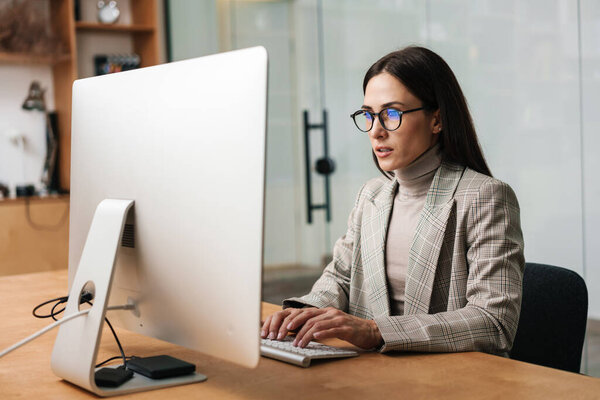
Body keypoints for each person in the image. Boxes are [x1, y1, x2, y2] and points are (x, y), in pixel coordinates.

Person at [261, 46, 525, 357]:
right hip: (375, 375)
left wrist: (375, 330)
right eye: (369, 115)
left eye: (392, 113)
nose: (376, 131)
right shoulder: (371, 195)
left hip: (450, 380)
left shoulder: (484, 197)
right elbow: (341, 279)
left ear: (437, 120)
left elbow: (494, 322)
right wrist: (305, 312)